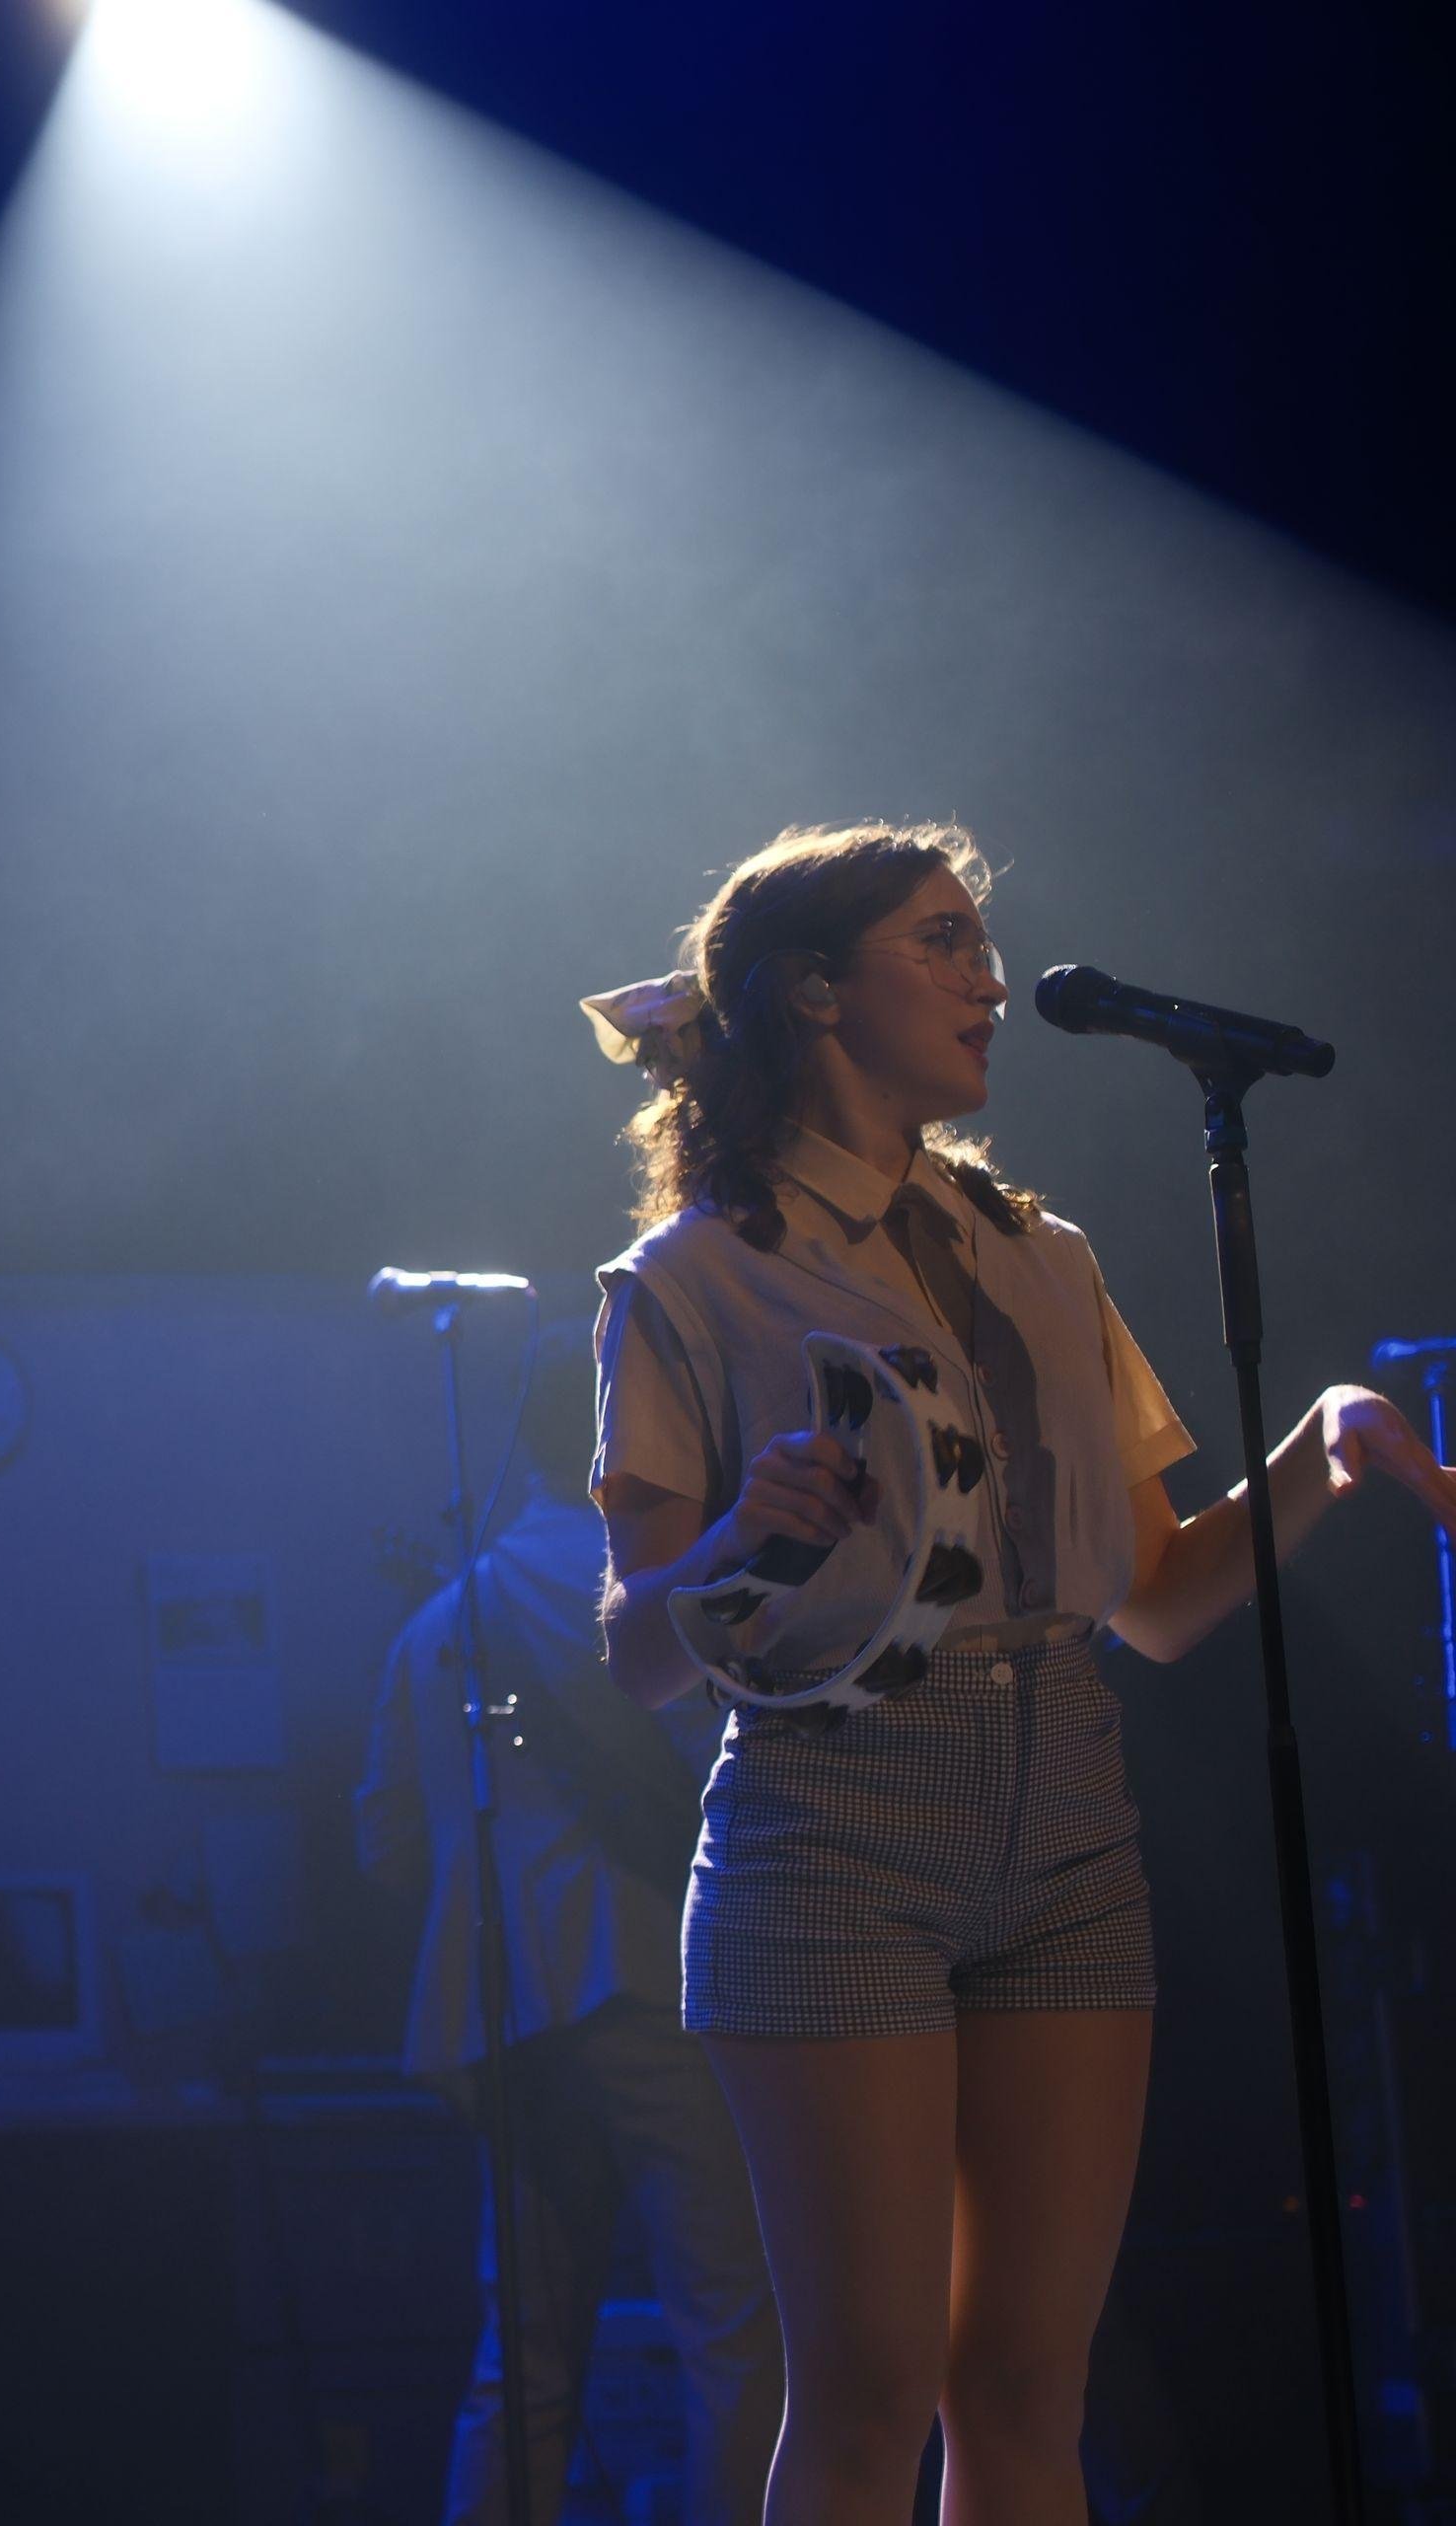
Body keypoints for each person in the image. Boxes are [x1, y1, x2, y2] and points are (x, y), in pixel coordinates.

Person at [581, 821, 1456, 2525]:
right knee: (867, 2393)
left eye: (980, 944)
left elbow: (1160, 1601)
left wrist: (1327, 1449)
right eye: (941, 942)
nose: (987, 978)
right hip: (832, 1827)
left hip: (1065, 1814)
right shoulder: (691, 1278)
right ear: (814, 991)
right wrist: (746, 1541)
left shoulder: (1044, 1256)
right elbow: (636, 1654)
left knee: (1031, 2390)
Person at [357, 1335, 779, 2526]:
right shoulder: (654, 1591)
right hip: (648, 1980)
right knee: (733, 2328)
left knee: (525, 2357)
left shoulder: (439, 1618)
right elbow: (734, 1784)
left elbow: (385, 1846)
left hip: (500, 2014)